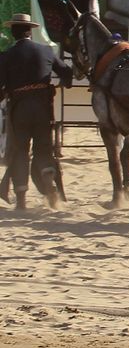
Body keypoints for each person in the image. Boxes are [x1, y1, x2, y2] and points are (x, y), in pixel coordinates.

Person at [0, 12, 70, 209]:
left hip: (19, 109)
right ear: (30, 32)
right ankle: (48, 178)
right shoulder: (46, 51)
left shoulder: (6, 55)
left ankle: (21, 200)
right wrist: (61, 85)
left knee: (21, 151)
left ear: (13, 33)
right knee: (43, 148)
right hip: (43, 108)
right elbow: (66, 72)